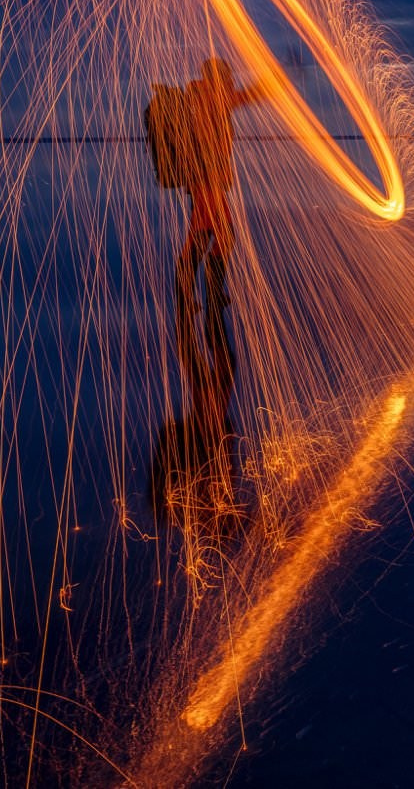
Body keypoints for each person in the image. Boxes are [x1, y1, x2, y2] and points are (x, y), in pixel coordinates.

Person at [154, 58, 266, 523]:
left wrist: (275, 83)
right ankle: (202, 292)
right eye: (229, 79)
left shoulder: (210, 98)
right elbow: (235, 104)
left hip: (210, 177)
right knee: (218, 231)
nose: (232, 86)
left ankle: (192, 291)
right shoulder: (208, 98)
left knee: (206, 231)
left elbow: (245, 99)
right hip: (207, 178)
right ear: (220, 78)